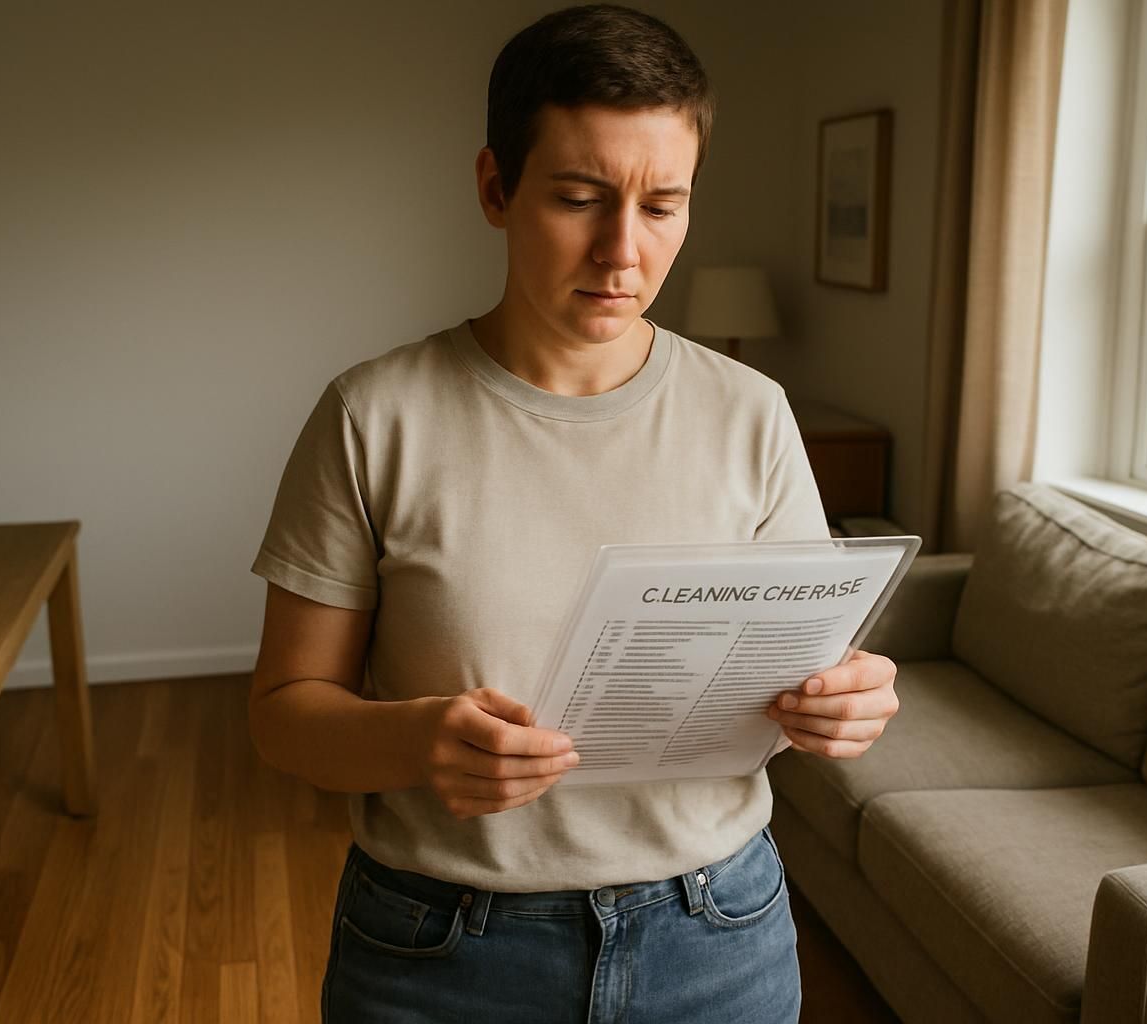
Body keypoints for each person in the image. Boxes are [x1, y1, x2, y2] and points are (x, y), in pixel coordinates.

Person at [247, 4, 900, 1021]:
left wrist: (841, 700)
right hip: (443, 949)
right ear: (496, 188)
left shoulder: (752, 413)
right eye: (580, 198)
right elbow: (285, 715)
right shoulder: (373, 415)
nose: (622, 252)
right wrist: (421, 741)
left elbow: (799, 668)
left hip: (717, 934)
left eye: (662, 205)